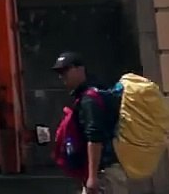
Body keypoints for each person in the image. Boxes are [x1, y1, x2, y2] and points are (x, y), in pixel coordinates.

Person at [52, 52, 127, 194]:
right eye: (59, 73)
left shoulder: (90, 99)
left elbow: (94, 137)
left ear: (80, 69)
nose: (62, 76)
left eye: (65, 70)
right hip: (104, 171)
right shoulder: (92, 93)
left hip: (104, 172)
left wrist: (92, 177)